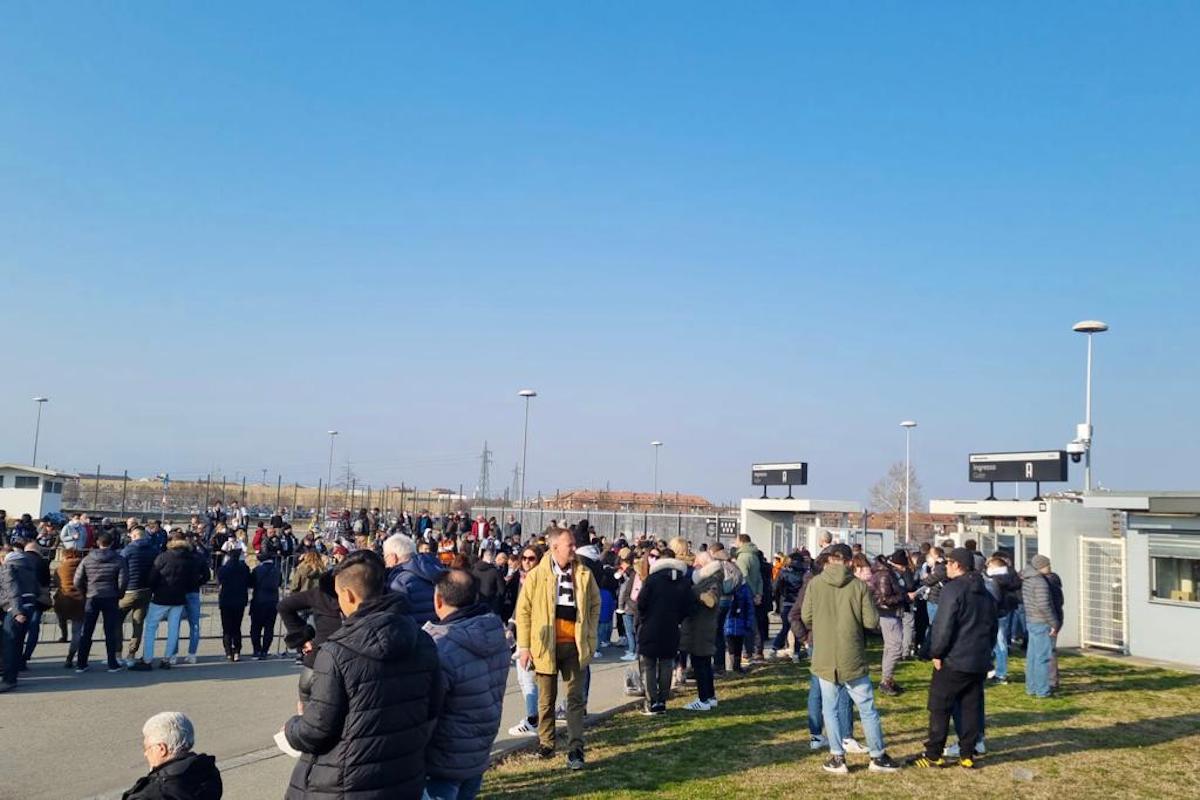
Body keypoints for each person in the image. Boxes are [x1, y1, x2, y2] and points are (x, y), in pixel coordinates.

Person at [282, 550, 443, 800]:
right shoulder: (422, 640)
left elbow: (317, 729)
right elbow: (433, 706)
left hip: (344, 781)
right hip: (403, 774)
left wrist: (292, 727)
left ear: (347, 595)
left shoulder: (337, 651)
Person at [800, 543, 899, 774]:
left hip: (824, 654)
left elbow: (806, 616)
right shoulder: (859, 587)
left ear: (829, 560)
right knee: (866, 708)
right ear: (849, 562)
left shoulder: (815, 584)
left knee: (830, 708)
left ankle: (837, 756)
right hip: (852, 654)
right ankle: (877, 756)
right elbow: (871, 621)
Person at [514, 526, 599, 770]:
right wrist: (524, 646)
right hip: (545, 646)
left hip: (575, 645)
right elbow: (523, 611)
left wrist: (590, 632)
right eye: (569, 545)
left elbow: (595, 603)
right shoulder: (537, 576)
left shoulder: (583, 573)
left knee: (575, 699)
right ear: (554, 548)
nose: (574, 548)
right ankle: (546, 743)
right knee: (546, 699)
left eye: (573, 544)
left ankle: (575, 748)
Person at [423, 569, 510, 800]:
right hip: (478, 746)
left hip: (443, 756)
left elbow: (428, 708)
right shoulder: (495, 633)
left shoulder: (440, 645)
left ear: (438, 600)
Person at [908, 548, 998, 770]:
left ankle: (933, 754)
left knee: (940, 706)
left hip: (954, 659)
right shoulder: (985, 592)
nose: (945, 566)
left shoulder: (953, 589)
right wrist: (987, 653)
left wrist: (936, 652)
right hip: (977, 659)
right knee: (970, 707)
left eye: (948, 563)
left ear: (957, 565)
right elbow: (993, 627)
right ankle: (967, 753)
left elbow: (943, 625)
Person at [636, 549, 692, 715]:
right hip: (672, 627)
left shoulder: (652, 579)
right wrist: (677, 619)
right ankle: (662, 701)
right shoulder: (684, 581)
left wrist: (645, 618)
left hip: (651, 626)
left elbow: (641, 602)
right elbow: (688, 607)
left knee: (649, 664)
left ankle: (651, 701)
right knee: (667, 663)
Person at [134, 533, 201, 670]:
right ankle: (167, 659)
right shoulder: (190, 559)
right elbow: (194, 580)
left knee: (151, 627)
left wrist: (154, 589)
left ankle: (147, 659)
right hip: (179, 598)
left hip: (161, 596)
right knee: (173, 629)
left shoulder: (163, 557)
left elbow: (153, 577)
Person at [122, 712, 222, 799]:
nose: (145, 754)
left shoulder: (150, 794)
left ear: (162, 749)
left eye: (146, 748)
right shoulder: (207, 771)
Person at [280, 568, 341, 698]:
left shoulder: (320, 593)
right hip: (320, 660)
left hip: (321, 660)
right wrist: (303, 637)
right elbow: (284, 606)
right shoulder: (321, 593)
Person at [74, 531, 130, 673]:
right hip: (110, 596)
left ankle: (81, 663)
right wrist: (119, 594)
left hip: (92, 596)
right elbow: (123, 580)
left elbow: (77, 580)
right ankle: (112, 663)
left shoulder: (87, 559)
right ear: (112, 543)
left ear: (97, 543)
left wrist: (85, 592)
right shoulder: (118, 559)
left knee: (87, 631)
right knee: (110, 631)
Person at [679, 551, 723, 711]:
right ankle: (710, 697)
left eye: (697, 563)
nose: (695, 566)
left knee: (700, 664)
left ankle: (703, 699)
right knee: (704, 663)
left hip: (701, 627)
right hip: (702, 626)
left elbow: (711, 600)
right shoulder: (711, 579)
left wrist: (694, 594)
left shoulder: (712, 580)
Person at [384, 533, 448, 626]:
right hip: (443, 628)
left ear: (393, 557)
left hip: (414, 632)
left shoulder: (398, 582)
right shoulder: (438, 570)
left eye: (385, 557)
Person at [868, 551, 908, 696]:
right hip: (888, 614)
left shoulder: (885, 573)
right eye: (903, 566)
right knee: (895, 648)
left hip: (889, 614)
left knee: (890, 647)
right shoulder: (885, 575)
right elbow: (884, 599)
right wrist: (904, 597)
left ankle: (888, 679)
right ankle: (886, 681)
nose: (904, 569)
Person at [1022, 554, 1062, 698]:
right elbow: (1044, 605)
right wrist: (1054, 623)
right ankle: (1042, 690)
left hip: (1031, 620)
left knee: (1032, 657)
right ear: (1041, 566)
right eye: (1047, 565)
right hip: (1042, 622)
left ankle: (1031, 687)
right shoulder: (1040, 582)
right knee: (1042, 658)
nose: (1050, 567)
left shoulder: (1027, 579)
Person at [1, 542, 38, 691]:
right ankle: (13, 676)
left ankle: (9, 680)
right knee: (17, 644)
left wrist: (17, 611)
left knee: (9, 645)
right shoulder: (27, 566)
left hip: (14, 609)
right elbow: (35, 588)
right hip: (29, 606)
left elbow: (12, 589)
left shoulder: (8, 568)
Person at [121, 527, 158, 667]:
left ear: (135, 535)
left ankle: (117, 653)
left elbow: (122, 571)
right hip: (146, 590)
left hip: (129, 590)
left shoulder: (127, 550)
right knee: (138, 623)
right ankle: (131, 654)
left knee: (117, 620)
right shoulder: (153, 550)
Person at [986, 553, 1022, 685]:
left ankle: (1000, 673)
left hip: (997, 614)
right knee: (998, 643)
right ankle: (996, 671)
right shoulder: (1009, 578)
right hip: (1003, 613)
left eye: (989, 566)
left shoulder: (995, 581)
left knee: (999, 644)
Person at [54, 545, 86, 668]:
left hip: (63, 600)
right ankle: (70, 657)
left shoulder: (59, 568)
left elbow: (57, 583)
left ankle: (64, 635)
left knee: (61, 619)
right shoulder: (83, 566)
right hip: (79, 600)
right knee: (77, 631)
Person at [768, 552, 805, 659]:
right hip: (799, 603)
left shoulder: (783, 573)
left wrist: (778, 598)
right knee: (798, 627)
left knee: (785, 627)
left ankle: (775, 647)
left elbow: (775, 587)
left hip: (786, 602)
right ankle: (796, 652)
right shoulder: (805, 574)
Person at [733, 534, 764, 660]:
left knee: (748, 623)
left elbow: (744, 577)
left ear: (741, 542)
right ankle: (757, 649)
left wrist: (753, 594)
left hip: (747, 594)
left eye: (736, 540)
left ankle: (750, 651)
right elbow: (759, 578)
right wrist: (759, 593)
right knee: (754, 622)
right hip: (755, 593)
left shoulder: (742, 557)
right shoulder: (754, 556)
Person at [217, 549, 251, 661]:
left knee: (227, 628)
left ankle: (228, 651)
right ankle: (237, 651)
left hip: (226, 600)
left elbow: (219, 580)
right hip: (240, 600)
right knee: (237, 627)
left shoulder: (224, 569)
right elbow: (249, 582)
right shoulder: (244, 568)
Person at [249, 553, 282, 659]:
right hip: (273, 601)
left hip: (259, 601)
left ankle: (256, 650)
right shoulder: (277, 570)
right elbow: (279, 583)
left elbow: (251, 583)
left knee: (256, 627)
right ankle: (265, 651)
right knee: (269, 628)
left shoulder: (257, 570)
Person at [471, 548, 505, 617]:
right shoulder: (495, 572)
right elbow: (502, 591)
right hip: (490, 606)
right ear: (492, 558)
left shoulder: (474, 569)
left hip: (476, 603)